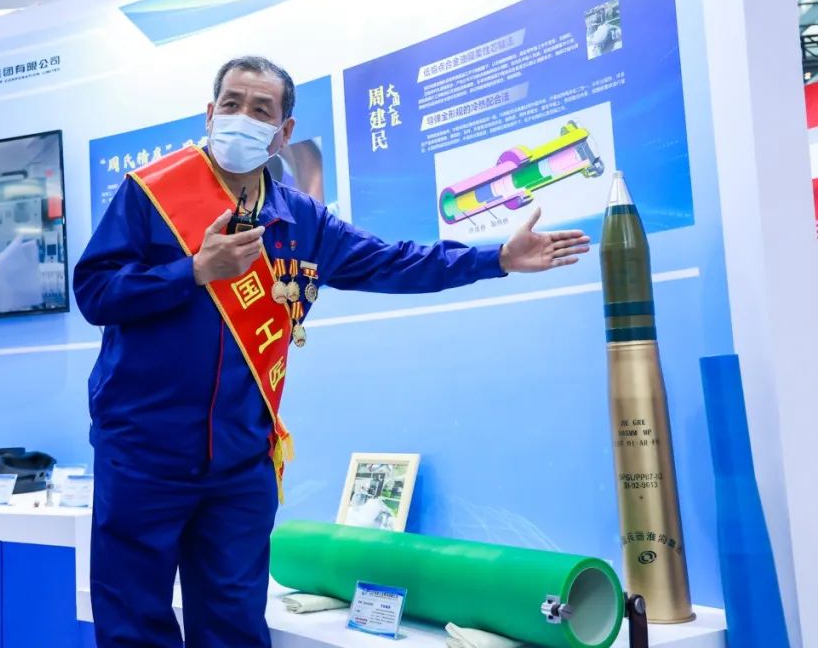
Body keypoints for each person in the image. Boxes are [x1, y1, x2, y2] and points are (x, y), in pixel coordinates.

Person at [73, 56, 590, 647]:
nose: (242, 118)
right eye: (232, 104)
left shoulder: (302, 221)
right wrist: (192, 271)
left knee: (234, 626)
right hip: (142, 452)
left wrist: (494, 258)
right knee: (134, 624)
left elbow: (394, 262)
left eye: (261, 110)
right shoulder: (152, 194)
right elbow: (95, 292)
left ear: (283, 132)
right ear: (210, 113)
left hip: (241, 462)